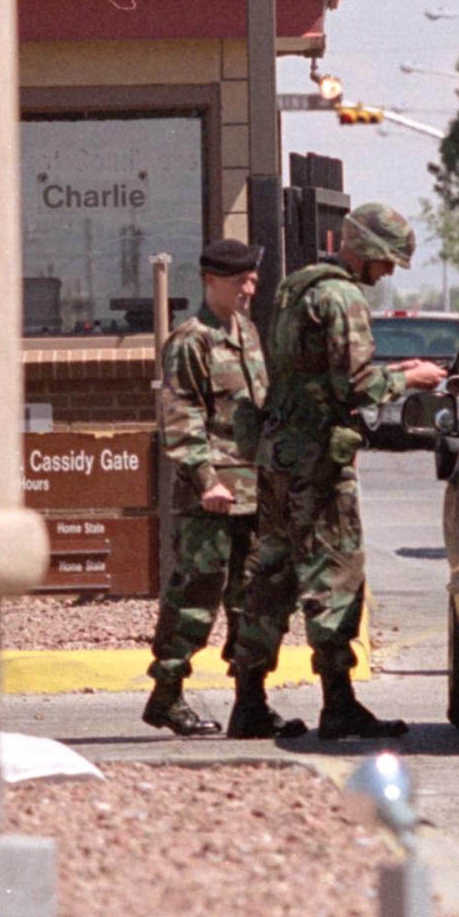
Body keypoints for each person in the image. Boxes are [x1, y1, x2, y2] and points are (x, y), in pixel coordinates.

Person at [228, 203, 444, 740]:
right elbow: (353, 386)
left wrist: (385, 373)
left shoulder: (294, 290)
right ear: (365, 250)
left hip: (278, 455)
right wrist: (408, 381)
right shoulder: (342, 296)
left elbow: (311, 374)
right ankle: (339, 704)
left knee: (270, 578)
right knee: (335, 577)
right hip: (319, 461)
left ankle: (249, 703)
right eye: (387, 261)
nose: (388, 272)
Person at [142, 239, 306, 739]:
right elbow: (180, 418)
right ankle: (166, 696)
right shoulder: (191, 340)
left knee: (252, 601)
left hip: (255, 493)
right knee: (194, 599)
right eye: (240, 282)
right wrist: (206, 479)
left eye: (253, 281)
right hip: (209, 498)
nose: (249, 289)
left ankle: (250, 702)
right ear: (210, 280)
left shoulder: (248, 333)